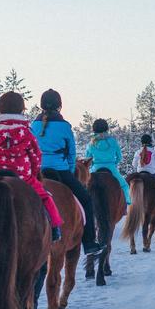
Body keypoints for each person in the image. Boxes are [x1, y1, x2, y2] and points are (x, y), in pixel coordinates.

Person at [0, 91, 63, 241]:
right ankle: (55, 228)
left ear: (0, 110)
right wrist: (34, 173)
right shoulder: (26, 132)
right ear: (22, 110)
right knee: (46, 197)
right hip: (22, 176)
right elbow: (36, 156)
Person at [30, 89, 104, 256]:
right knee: (85, 200)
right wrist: (70, 171)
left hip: (37, 172)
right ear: (59, 105)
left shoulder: (33, 125)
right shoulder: (64, 126)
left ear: (41, 105)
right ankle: (89, 242)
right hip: (61, 171)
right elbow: (71, 153)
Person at [84, 119, 131, 206]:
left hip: (95, 169)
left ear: (94, 130)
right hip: (111, 168)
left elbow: (87, 159)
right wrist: (114, 163)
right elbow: (119, 157)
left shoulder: (91, 143)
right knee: (125, 186)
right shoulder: (113, 141)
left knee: (85, 186)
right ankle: (125, 205)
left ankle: (85, 206)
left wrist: (92, 165)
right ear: (106, 129)